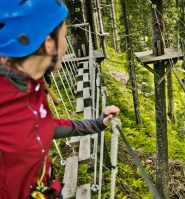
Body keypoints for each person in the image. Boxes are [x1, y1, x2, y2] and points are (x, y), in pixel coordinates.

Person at [0, 1, 120, 198]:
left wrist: (97, 123)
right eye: (65, 36)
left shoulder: (31, 84)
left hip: (46, 188)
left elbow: (40, 125)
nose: (67, 44)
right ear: (48, 44)